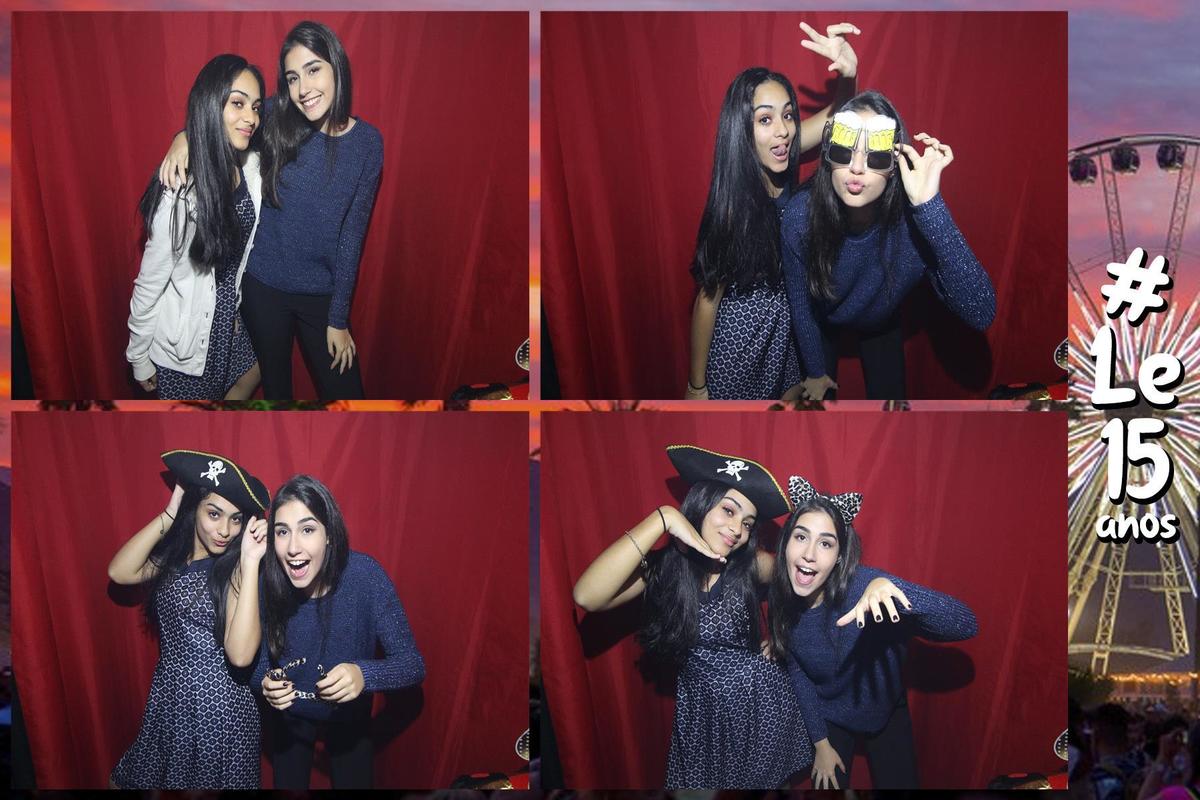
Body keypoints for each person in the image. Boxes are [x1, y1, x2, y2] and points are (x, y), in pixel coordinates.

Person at [161, 21, 382, 400]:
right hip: (263, 288)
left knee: (349, 398)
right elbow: (218, 122)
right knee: (276, 392)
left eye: (313, 70)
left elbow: (352, 235)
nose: (303, 89)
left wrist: (338, 318)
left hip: (320, 294)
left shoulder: (368, 143)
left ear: (337, 66)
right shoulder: (276, 115)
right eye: (293, 78)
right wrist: (184, 138)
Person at [572, 445, 811, 788]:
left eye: (747, 523)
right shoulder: (664, 570)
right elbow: (586, 596)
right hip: (702, 718)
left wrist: (782, 635)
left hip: (761, 710)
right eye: (728, 510)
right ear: (701, 503)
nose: (737, 529)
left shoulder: (750, 564)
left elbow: (806, 582)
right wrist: (663, 518)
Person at [780, 90, 996, 400]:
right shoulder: (801, 216)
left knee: (892, 409)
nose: (857, 168)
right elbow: (801, 305)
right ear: (828, 155)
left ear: (894, 164)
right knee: (818, 403)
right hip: (822, 317)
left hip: (881, 316)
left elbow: (981, 311)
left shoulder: (913, 223)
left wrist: (929, 206)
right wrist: (815, 371)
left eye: (875, 156)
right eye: (844, 152)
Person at [768, 475, 977, 789]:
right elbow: (800, 675)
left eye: (825, 543)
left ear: (839, 556)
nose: (809, 553)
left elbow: (966, 623)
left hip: (886, 710)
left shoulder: (865, 587)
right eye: (801, 537)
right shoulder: (781, 601)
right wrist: (821, 744)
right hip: (832, 714)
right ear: (786, 543)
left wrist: (895, 589)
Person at [687, 22, 860, 401]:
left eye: (788, 115)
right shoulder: (731, 208)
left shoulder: (784, 149)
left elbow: (836, 119)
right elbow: (706, 301)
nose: (782, 130)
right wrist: (696, 386)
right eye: (765, 119)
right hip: (737, 350)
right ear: (742, 130)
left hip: (783, 344)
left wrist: (848, 75)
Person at [107, 449, 270, 788]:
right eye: (214, 513)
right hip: (169, 698)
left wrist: (251, 561)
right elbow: (120, 572)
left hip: (219, 711)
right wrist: (170, 512)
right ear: (194, 507)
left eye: (236, 519)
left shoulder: (236, 569)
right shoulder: (175, 558)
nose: (225, 530)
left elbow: (241, 656)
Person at [254, 474, 425, 789]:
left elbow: (412, 664)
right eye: (282, 532)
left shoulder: (365, 576)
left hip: (349, 719)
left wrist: (364, 674)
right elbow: (254, 662)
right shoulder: (268, 579)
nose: (293, 548)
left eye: (307, 530)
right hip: (290, 718)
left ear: (330, 535)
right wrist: (265, 681)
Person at [126, 55, 265, 400]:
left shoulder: (249, 166)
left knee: (254, 370)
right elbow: (149, 284)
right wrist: (138, 357)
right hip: (184, 342)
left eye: (256, 107)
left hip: (227, 323)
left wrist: (184, 135)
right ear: (211, 104)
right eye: (237, 103)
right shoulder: (180, 192)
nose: (251, 118)